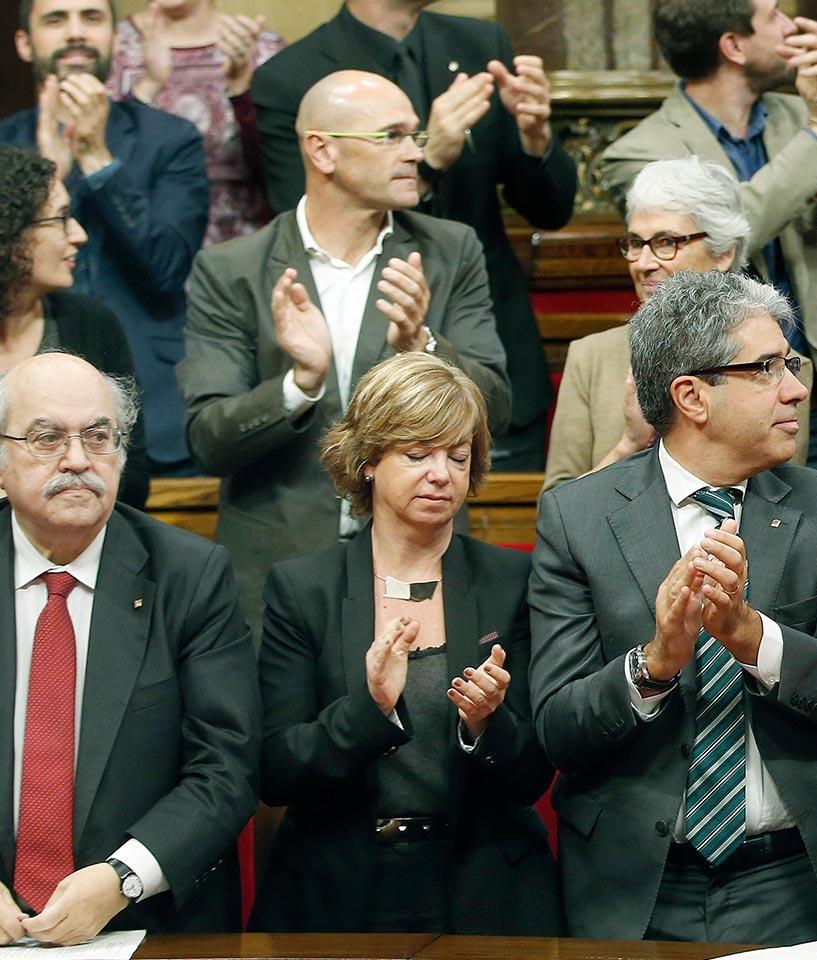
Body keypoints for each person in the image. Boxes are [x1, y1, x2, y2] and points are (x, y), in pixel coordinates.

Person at [530, 271, 817, 940]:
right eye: (766, 368)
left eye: (791, 363)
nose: (797, 389)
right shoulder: (579, 517)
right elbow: (558, 729)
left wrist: (753, 638)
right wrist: (654, 664)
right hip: (639, 887)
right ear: (691, 395)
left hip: (797, 877)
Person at [179, 70, 511, 635]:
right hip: (277, 573)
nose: (414, 153)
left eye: (416, 136)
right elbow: (209, 439)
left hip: (421, 565)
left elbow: (496, 409)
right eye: (392, 136)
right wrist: (300, 382)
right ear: (322, 150)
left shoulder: (449, 251)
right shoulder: (233, 270)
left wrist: (423, 348)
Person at [250, 352, 559, 934]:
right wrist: (370, 711)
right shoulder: (304, 589)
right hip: (338, 891)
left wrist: (485, 724)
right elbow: (276, 771)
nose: (441, 474)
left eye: (458, 457)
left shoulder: (511, 582)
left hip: (486, 888)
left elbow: (532, 777)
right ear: (367, 461)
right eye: (417, 455)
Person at [0, 352, 259, 943]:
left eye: (98, 437)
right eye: (47, 439)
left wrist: (124, 878)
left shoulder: (190, 575)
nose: (77, 461)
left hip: (149, 928)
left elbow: (226, 767)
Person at [253, 0, 576, 471]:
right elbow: (305, 224)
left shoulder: (481, 46)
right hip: (360, 382)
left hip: (484, 359)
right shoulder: (291, 76)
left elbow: (551, 210)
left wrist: (536, 138)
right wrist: (430, 160)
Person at [596, 0, 817, 467]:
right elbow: (731, 229)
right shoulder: (640, 151)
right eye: (775, 15)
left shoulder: (793, 119)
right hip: (722, 399)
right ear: (734, 45)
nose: (795, 26)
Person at [0, 0, 208, 477]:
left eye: (91, 18)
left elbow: (167, 268)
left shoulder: (170, 138)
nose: (76, 33)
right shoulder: (5, 146)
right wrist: (57, 174)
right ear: (24, 43)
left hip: (154, 411)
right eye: (56, 19)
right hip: (24, 415)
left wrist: (97, 159)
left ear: (115, 38)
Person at [543, 156, 752, 488]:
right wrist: (628, 445)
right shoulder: (592, 357)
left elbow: (777, 504)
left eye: (666, 242)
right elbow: (555, 511)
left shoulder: (772, 367)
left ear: (723, 251)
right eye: (636, 243)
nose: (643, 263)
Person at [0, 145, 147, 507]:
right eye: (61, 218)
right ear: (9, 231)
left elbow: (134, 473)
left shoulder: (88, 323)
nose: (78, 234)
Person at [107, 0, 282, 247]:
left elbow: (281, 167)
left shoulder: (259, 48)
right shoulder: (111, 46)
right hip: (142, 246)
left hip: (244, 249)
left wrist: (241, 86)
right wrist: (145, 89)